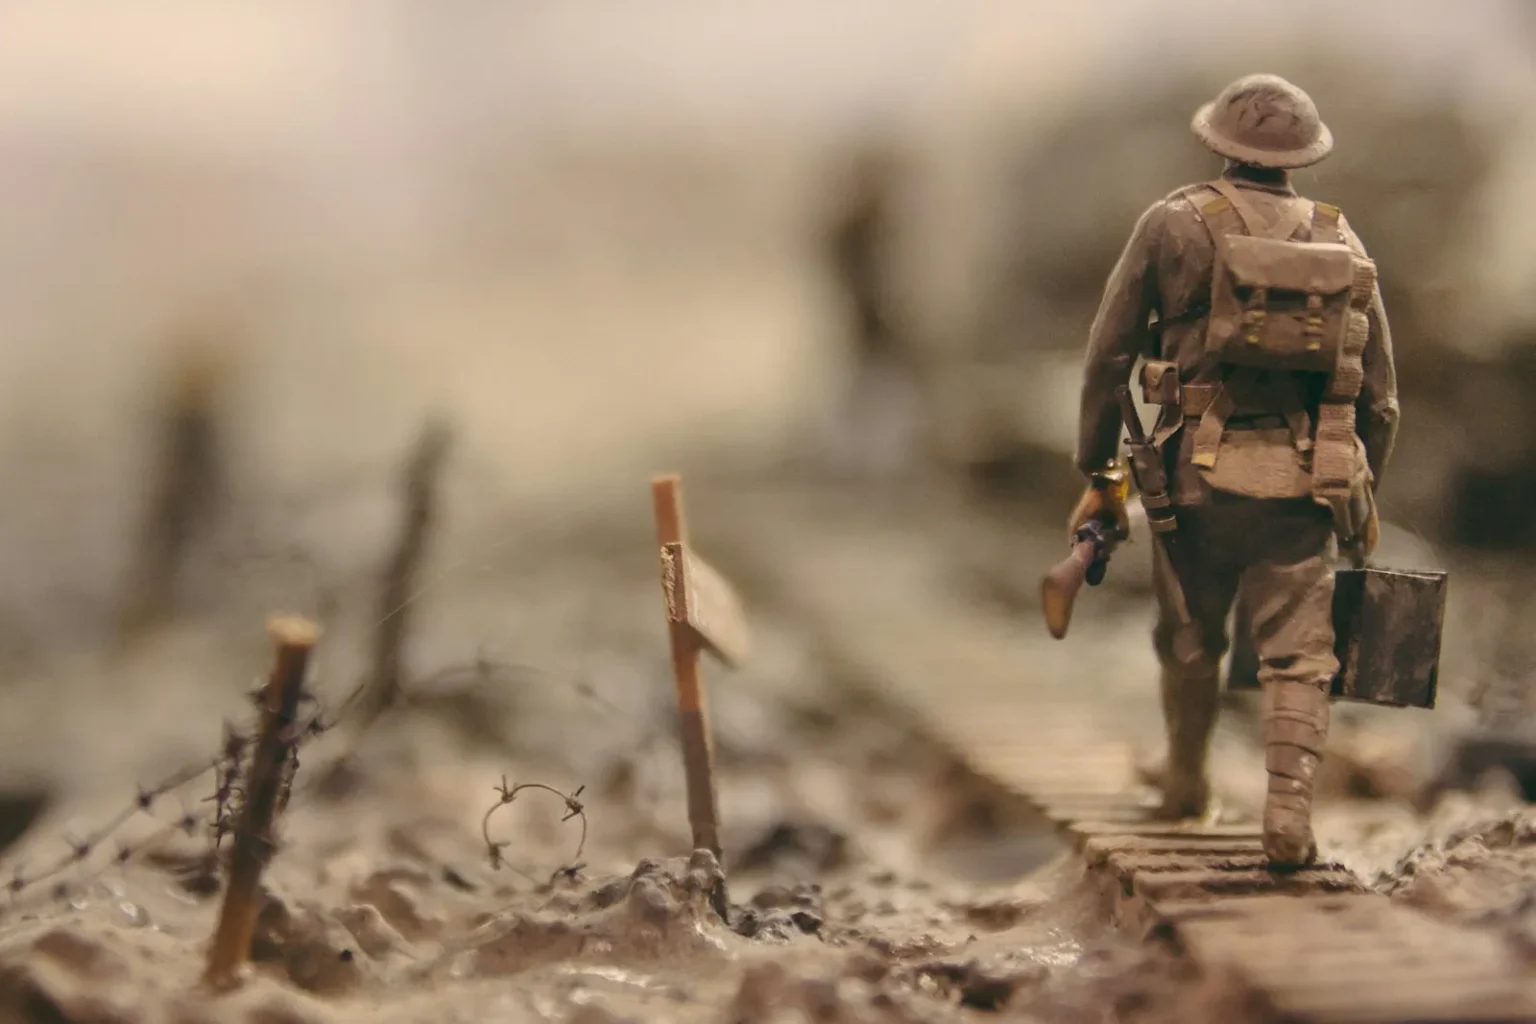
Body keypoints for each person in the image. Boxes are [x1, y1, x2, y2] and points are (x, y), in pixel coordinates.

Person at [1067, 74, 1400, 866]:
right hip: (1306, 482)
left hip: (1195, 477)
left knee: (1189, 635)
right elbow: (1381, 398)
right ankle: (1287, 814)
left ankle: (1187, 784)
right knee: (1301, 653)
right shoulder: (1342, 239)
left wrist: (1098, 466)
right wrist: (1359, 488)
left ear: (1216, 141)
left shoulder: (1173, 223)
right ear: (1302, 156)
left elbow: (1108, 355)